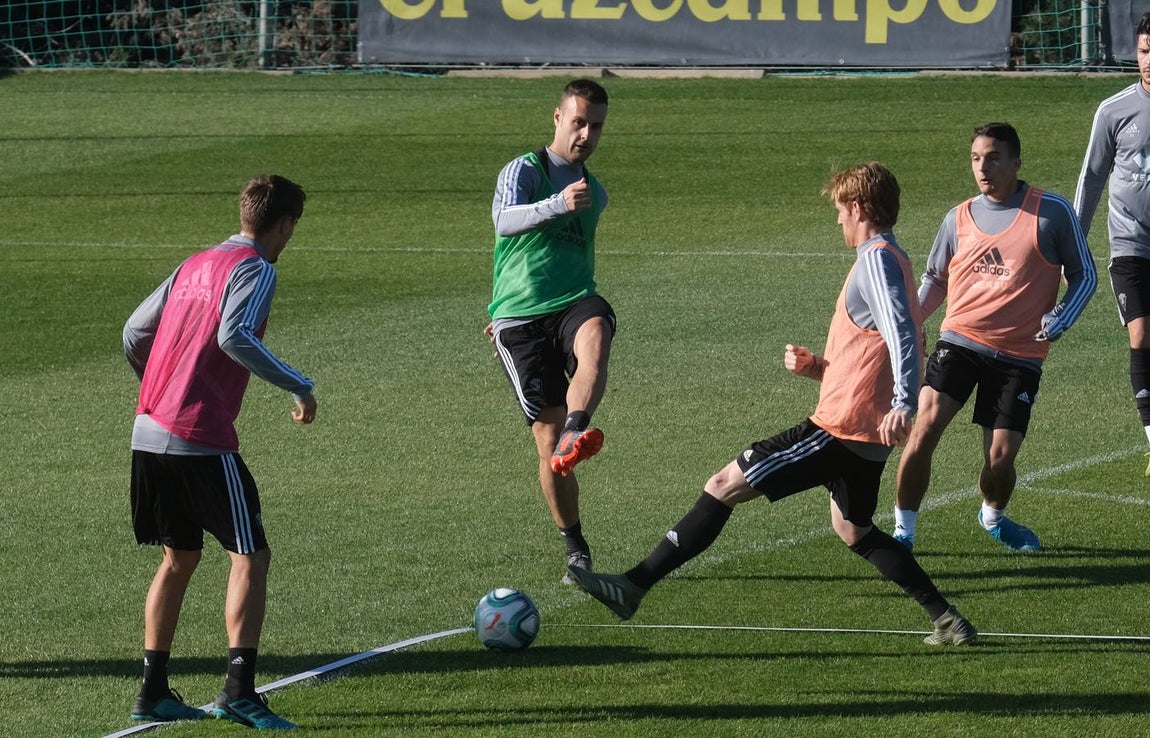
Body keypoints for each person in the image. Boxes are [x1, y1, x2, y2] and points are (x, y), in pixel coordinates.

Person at [568, 162, 977, 646]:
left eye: (841, 210)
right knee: (854, 530)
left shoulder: (876, 259)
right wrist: (819, 368)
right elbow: (874, 350)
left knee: (723, 485)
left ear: (859, 208)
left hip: (839, 430)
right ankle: (947, 619)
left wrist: (905, 402)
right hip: (864, 432)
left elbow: (902, 333)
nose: (838, 220)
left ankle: (632, 586)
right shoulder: (896, 258)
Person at [123, 175, 314, 730]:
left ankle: (153, 693)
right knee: (250, 556)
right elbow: (235, 336)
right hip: (197, 437)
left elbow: (134, 332)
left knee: (178, 558)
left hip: (147, 429)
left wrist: (162, 386)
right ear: (285, 225)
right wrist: (299, 385)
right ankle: (239, 692)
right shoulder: (256, 269)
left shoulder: (194, 264)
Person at [893, 123, 1096, 552]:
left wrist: (1062, 317)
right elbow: (935, 278)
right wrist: (910, 323)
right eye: (975, 159)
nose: (982, 168)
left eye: (993, 158)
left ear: (1016, 162)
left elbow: (1085, 275)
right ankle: (903, 533)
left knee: (1000, 461)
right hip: (960, 340)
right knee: (924, 429)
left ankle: (992, 515)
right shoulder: (958, 217)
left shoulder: (1052, 212)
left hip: (1019, 355)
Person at [486, 79, 615, 582]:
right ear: (558, 118)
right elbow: (503, 222)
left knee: (597, 329)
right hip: (520, 318)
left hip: (573, 301)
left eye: (596, 126)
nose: (586, 135)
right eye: (579, 122)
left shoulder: (596, 193)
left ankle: (577, 428)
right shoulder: (525, 170)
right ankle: (575, 546)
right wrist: (558, 203)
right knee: (547, 437)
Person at [1074, 12, 1150, 475]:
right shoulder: (1114, 111)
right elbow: (1091, 178)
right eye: (1144, 51)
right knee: (1141, 334)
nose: (1149, 60)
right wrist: (1073, 245)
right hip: (1130, 244)